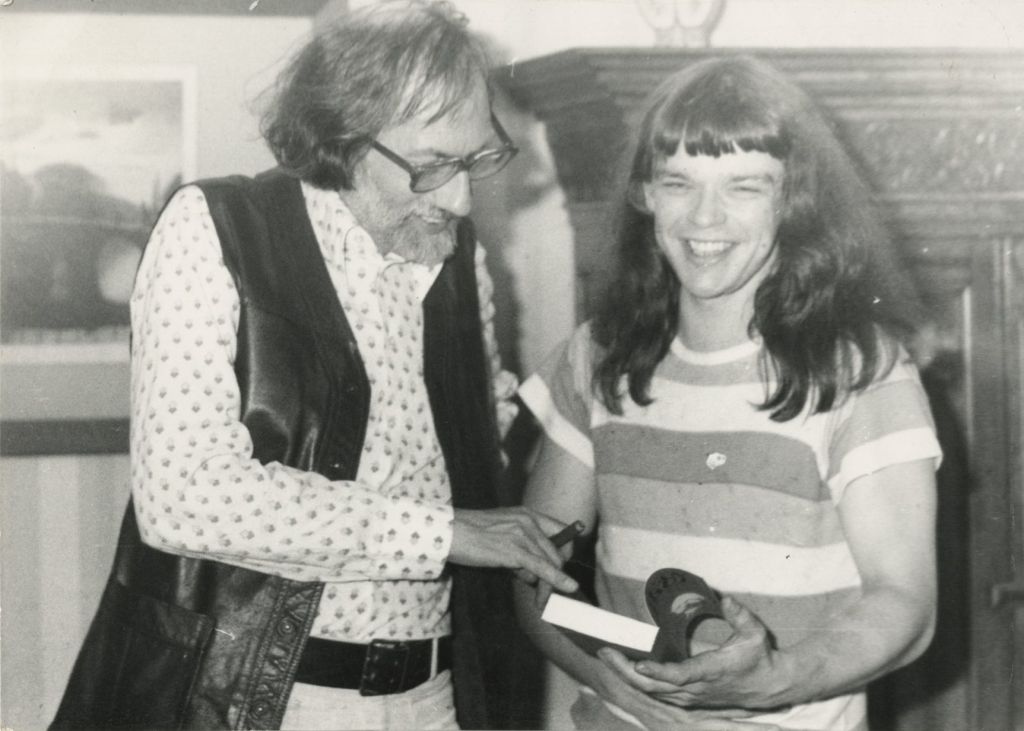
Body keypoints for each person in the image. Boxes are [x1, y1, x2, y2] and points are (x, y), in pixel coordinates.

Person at [50, 2, 579, 730]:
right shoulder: (215, 228)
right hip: (255, 700)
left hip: (432, 697)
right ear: (342, 138)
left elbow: (472, 457)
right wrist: (443, 533)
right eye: (431, 167)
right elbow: (184, 496)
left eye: (475, 161)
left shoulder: (460, 259)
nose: (459, 200)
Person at [515, 55, 940, 731]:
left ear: (792, 200)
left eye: (744, 186)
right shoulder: (593, 357)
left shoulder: (859, 371)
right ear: (646, 194)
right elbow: (535, 570)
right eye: (678, 182)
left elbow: (905, 602)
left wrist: (774, 680)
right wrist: (606, 677)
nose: (704, 217)